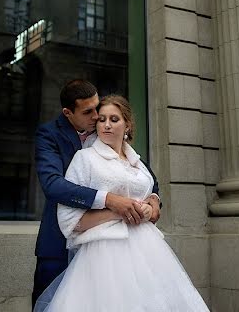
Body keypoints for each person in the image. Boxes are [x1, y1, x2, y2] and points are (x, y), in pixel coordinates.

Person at [34, 95, 209, 312]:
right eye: (102, 119)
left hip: (149, 252)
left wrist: (151, 203)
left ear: (127, 125)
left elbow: (151, 188)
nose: (106, 124)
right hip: (104, 254)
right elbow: (71, 220)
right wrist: (118, 210)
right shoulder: (84, 158)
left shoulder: (137, 162)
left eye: (114, 119)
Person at [32, 80, 161, 307]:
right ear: (68, 113)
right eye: (88, 112)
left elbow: (145, 176)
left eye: (98, 107)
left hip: (117, 249)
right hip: (59, 240)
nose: (97, 116)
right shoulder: (49, 135)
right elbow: (53, 184)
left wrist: (154, 200)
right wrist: (109, 200)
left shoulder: (107, 133)